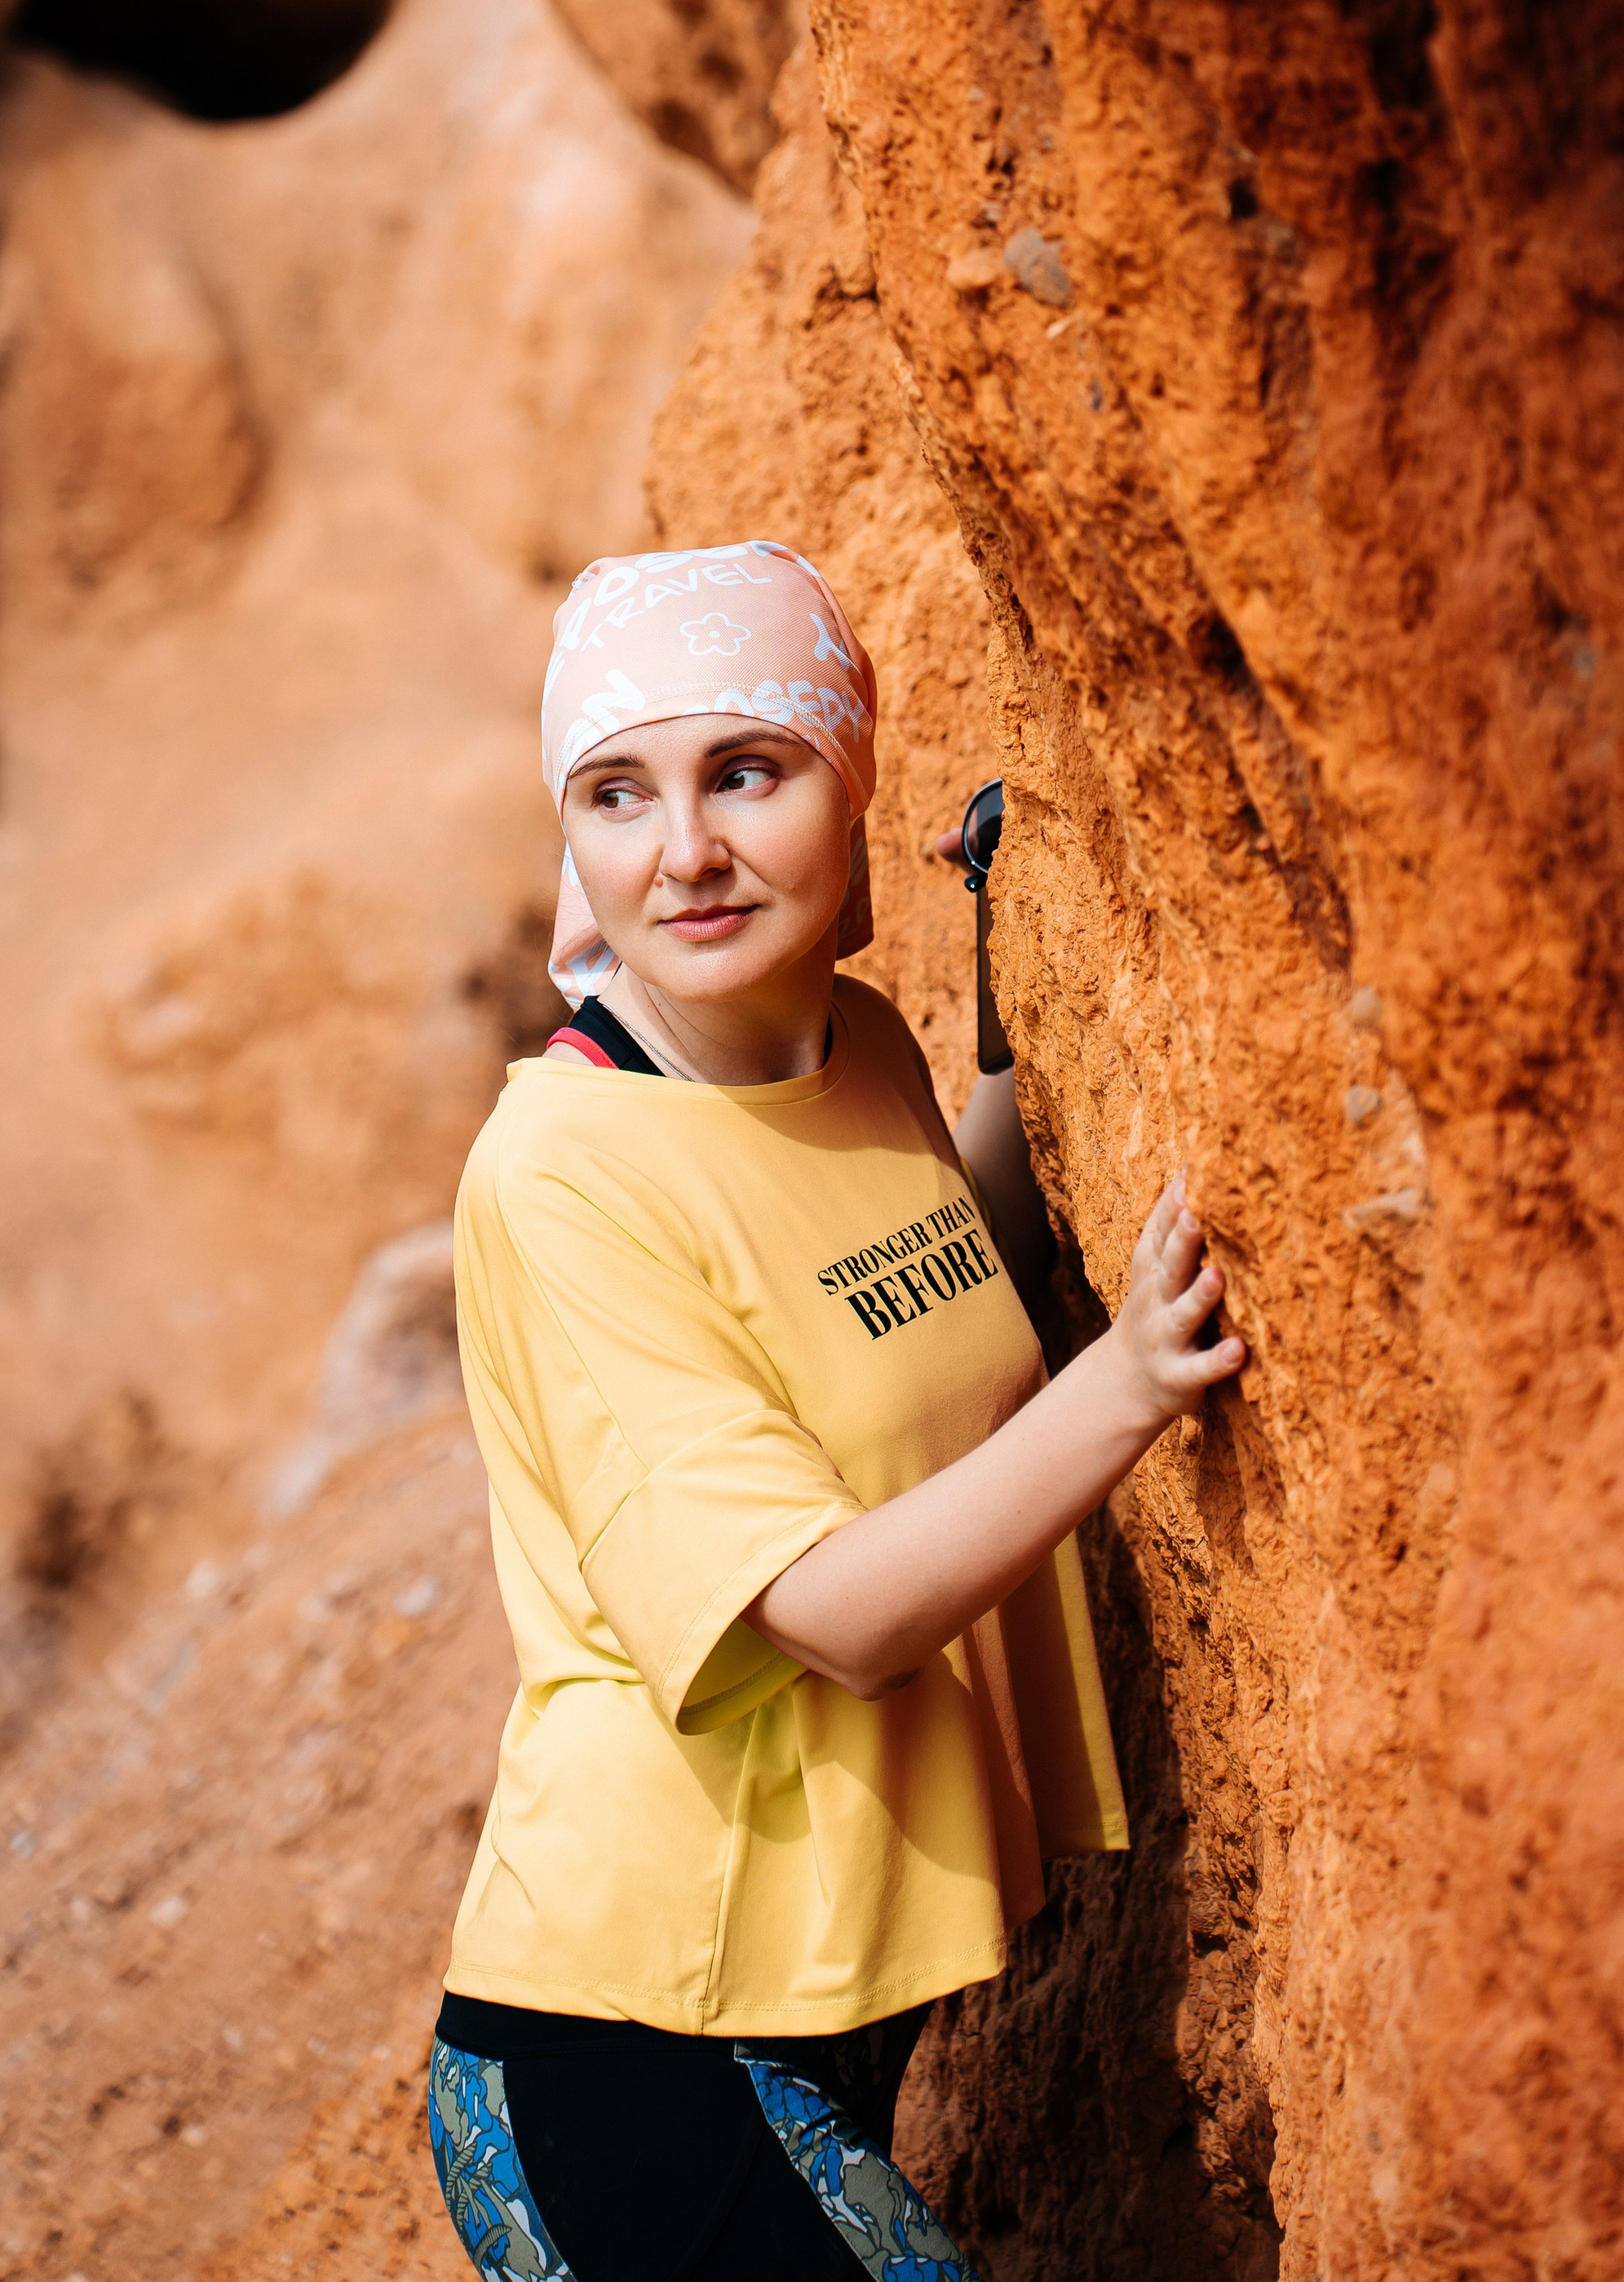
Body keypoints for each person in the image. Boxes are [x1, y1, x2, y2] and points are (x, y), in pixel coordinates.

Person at [426, 541, 1246, 2281]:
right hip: (629, 2049)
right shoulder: (560, 1177)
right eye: (616, 794)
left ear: (845, 785)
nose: (687, 851)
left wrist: (1028, 992)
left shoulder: (852, 1040)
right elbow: (836, 1614)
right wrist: (1132, 1389)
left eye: (747, 771)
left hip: (794, 2019)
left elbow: (942, 1292)